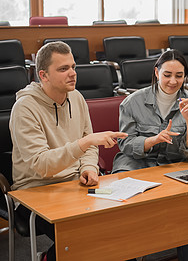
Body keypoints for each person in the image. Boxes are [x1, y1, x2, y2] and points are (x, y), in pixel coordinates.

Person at [9, 41, 127, 261]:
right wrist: (84, 144)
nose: (72, 74)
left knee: (120, 226)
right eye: (63, 69)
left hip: (75, 184)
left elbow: (89, 147)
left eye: (73, 67)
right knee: (85, 236)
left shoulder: (77, 98)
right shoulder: (24, 108)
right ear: (43, 75)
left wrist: (90, 169)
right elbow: (41, 166)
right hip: (36, 190)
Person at [112, 49, 188, 260]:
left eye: (179, 76)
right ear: (156, 73)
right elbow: (124, 144)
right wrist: (152, 140)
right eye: (167, 74)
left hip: (171, 165)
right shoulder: (132, 102)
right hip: (136, 164)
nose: (173, 81)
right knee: (130, 207)